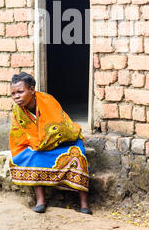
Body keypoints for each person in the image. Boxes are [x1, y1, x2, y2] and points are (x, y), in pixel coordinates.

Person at [9, 72, 92, 214]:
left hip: (63, 141)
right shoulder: (18, 110)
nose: (16, 96)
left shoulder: (47, 101)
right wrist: (34, 144)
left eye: (20, 92)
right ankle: (40, 201)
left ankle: (84, 204)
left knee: (77, 156)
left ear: (32, 90)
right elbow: (18, 134)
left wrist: (40, 143)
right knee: (32, 156)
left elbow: (59, 128)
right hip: (39, 145)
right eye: (13, 93)